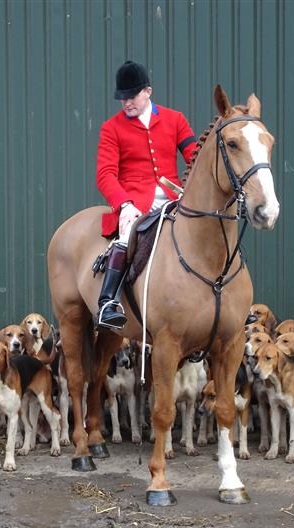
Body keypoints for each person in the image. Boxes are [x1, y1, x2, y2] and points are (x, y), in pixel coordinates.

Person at [95, 61, 197, 330]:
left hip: (174, 197)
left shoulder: (175, 119)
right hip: (135, 201)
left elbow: (195, 157)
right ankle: (108, 302)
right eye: (122, 98)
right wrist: (124, 204)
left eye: (132, 96)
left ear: (148, 91)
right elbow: (105, 174)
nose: (126, 102)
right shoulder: (111, 128)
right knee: (127, 234)